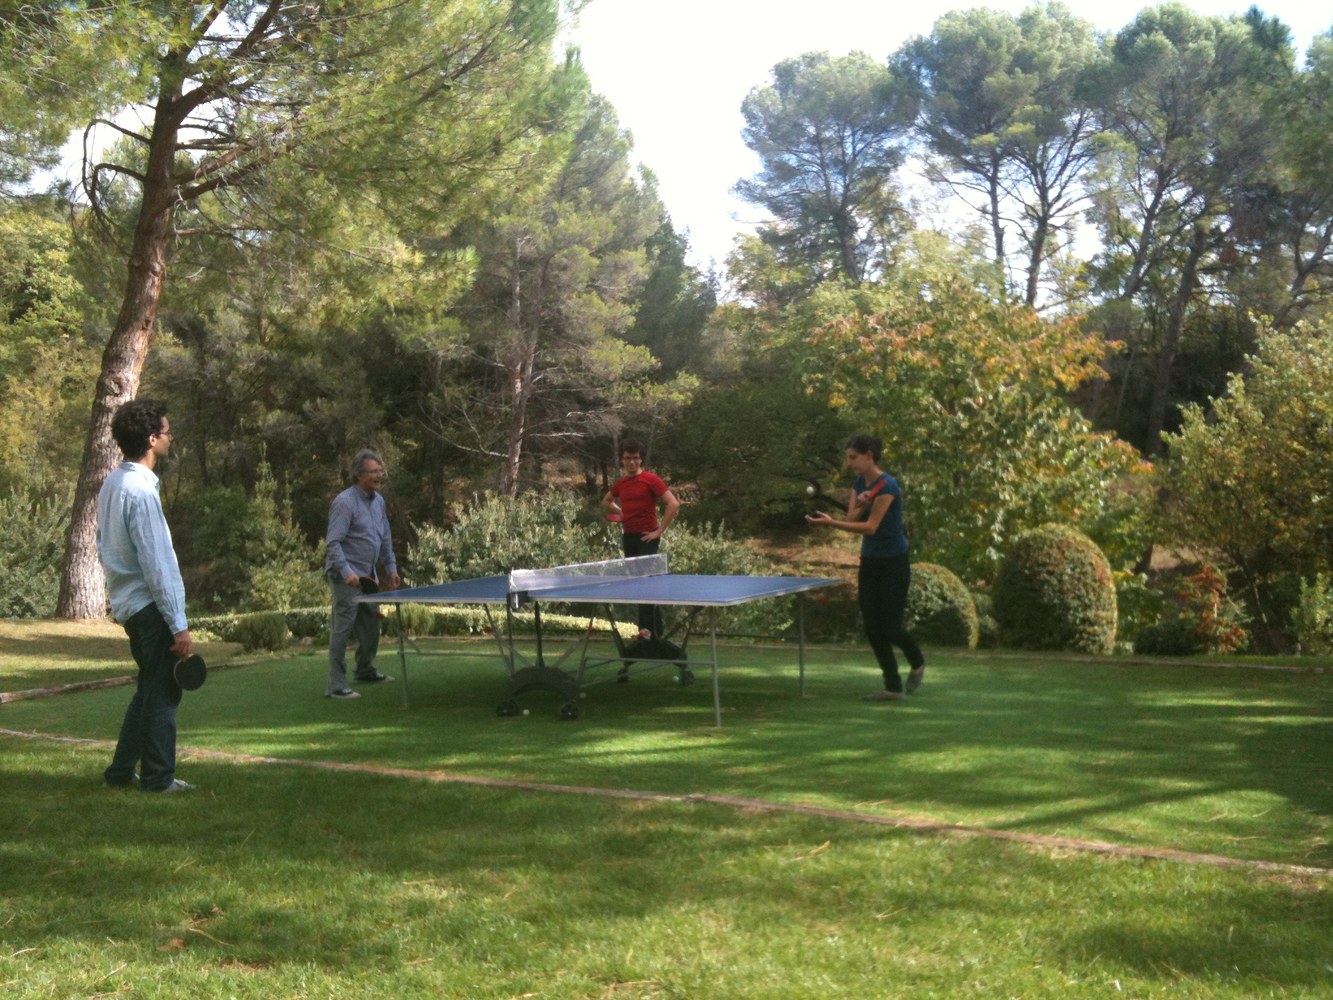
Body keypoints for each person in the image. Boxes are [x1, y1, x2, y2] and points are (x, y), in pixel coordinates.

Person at [98, 398, 196, 793]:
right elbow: (158, 564)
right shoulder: (139, 491)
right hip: (151, 608)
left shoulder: (113, 483)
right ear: (152, 439)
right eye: (168, 432)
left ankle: (120, 774)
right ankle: (158, 779)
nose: (171, 438)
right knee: (163, 696)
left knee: (147, 692)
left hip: (130, 607)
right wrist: (179, 624)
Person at [806, 434, 925, 702]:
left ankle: (917, 661)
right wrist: (861, 503)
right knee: (872, 627)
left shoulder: (888, 486)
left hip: (894, 563)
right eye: (848, 458)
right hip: (870, 561)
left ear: (869, 455)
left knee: (891, 626)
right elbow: (852, 519)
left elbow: (870, 528)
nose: (850, 463)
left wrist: (830, 523)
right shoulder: (860, 483)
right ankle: (892, 687)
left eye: (854, 457)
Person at [324, 449, 400, 699]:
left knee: (371, 625)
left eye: (380, 471)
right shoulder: (344, 503)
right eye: (373, 472)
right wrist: (347, 572)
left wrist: (391, 568)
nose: (379, 476)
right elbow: (333, 543)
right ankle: (336, 686)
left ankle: (365, 670)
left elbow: (384, 537)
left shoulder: (379, 501)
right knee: (343, 628)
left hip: (368, 576)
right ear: (359, 475)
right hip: (345, 577)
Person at [602, 439, 680, 640]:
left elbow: (673, 504)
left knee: (644, 583)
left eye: (635, 458)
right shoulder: (621, 483)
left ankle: (646, 631)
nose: (631, 462)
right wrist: (623, 513)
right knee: (638, 584)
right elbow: (607, 501)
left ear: (641, 459)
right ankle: (654, 631)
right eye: (627, 458)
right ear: (622, 460)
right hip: (628, 537)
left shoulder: (651, 480)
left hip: (647, 537)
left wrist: (659, 531)